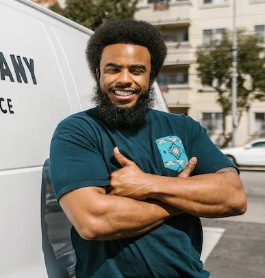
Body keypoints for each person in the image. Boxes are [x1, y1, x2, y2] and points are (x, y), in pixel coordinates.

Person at [48, 19, 247, 278]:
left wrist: (149, 184)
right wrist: (183, 200)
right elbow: (93, 220)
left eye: (136, 70)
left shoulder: (183, 128)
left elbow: (234, 196)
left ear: (150, 76)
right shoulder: (78, 130)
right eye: (113, 69)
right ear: (98, 74)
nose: (124, 80)